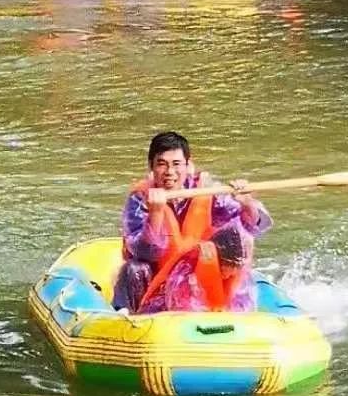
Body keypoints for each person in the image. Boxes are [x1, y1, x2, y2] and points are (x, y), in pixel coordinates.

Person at [113, 131, 271, 313]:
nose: (170, 172)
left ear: (189, 166)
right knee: (134, 269)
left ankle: (230, 309)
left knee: (236, 237)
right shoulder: (140, 199)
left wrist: (247, 204)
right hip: (157, 281)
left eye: (177, 164)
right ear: (151, 167)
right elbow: (145, 253)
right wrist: (155, 214)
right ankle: (128, 317)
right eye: (162, 165)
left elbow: (252, 227)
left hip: (197, 275)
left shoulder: (207, 191)